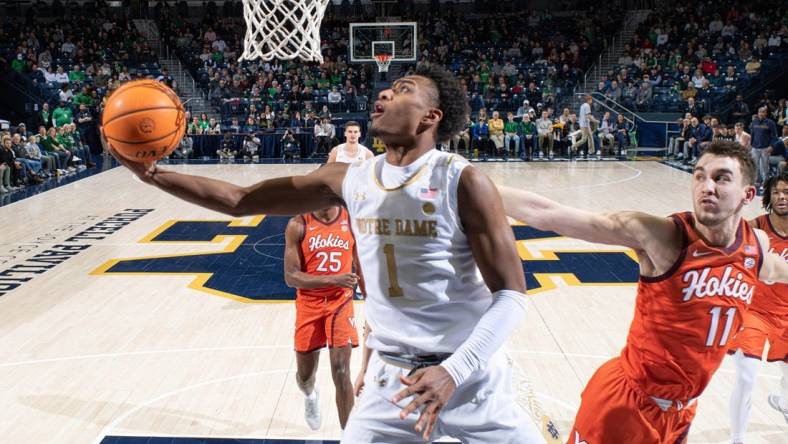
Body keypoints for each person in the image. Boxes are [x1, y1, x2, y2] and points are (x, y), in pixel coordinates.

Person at [104, 63, 542, 443]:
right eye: (387, 88)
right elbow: (240, 199)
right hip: (394, 381)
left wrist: (454, 371)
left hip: (468, 377)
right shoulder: (348, 178)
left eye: (404, 88)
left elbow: (512, 296)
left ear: (432, 116)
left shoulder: (462, 181)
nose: (385, 92)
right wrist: (154, 176)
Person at [498, 141, 788, 443]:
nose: (706, 186)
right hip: (627, 404)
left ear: (748, 194)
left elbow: (780, 271)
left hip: (682, 414)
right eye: (699, 175)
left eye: (721, 178)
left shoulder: (755, 248)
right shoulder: (663, 237)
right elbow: (547, 213)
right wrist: (468, 183)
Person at [284, 204, 360, 430]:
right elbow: (291, 277)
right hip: (309, 303)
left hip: (341, 302)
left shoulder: (352, 220)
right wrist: (333, 279)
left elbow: (360, 261)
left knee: (341, 370)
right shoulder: (298, 224)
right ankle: (310, 395)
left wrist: (370, 292)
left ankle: (349, 436)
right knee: (305, 377)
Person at [728, 171, 788, 444]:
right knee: (746, 375)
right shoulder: (756, 227)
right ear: (768, 196)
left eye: (786, 192)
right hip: (755, 312)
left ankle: (783, 402)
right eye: (776, 192)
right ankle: (737, 439)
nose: (781, 197)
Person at [750, 106, 779, 188]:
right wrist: (751, 144)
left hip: (765, 148)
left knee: (764, 167)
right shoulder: (754, 121)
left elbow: (775, 136)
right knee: (755, 165)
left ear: (766, 113)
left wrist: (771, 146)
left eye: (763, 112)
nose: (761, 113)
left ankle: (765, 182)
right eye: (760, 112)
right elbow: (753, 134)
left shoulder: (770, 123)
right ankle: (756, 181)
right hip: (755, 147)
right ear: (758, 113)